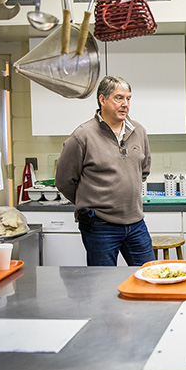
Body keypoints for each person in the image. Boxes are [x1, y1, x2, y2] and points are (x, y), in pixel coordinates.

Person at [56, 76, 154, 266]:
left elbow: (143, 170)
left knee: (148, 277)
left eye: (128, 99)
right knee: (102, 285)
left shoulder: (138, 131)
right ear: (102, 99)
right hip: (100, 226)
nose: (125, 104)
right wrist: (89, 201)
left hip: (135, 223)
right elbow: (64, 181)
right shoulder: (83, 135)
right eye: (119, 98)